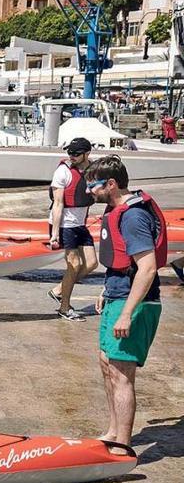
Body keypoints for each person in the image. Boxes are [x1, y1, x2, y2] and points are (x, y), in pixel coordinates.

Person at [85, 154, 167, 454]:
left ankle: (123, 445)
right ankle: (113, 431)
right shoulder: (115, 208)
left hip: (135, 302)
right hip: (116, 294)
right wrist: (107, 292)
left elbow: (147, 268)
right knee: (107, 363)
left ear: (111, 184)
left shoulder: (133, 217)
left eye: (93, 186)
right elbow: (120, 263)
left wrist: (127, 313)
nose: (89, 191)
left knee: (121, 373)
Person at [47, 137, 99, 321]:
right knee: (74, 265)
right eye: (69, 152)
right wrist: (54, 235)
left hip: (79, 224)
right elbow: (58, 203)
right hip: (64, 224)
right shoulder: (63, 172)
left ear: (87, 154)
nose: (72, 156)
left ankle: (60, 289)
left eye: (76, 154)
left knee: (92, 263)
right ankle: (65, 307)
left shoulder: (93, 169)